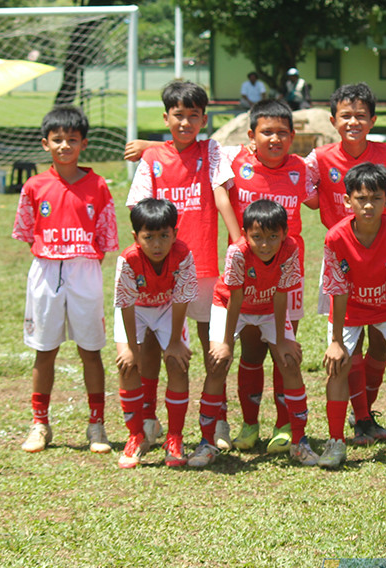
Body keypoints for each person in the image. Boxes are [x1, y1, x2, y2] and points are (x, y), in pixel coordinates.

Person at [306, 82, 386, 446]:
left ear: (372, 120)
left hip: (383, 260)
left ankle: (365, 416)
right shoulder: (320, 158)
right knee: (348, 347)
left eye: (361, 115)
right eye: (346, 115)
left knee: (380, 345)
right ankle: (360, 419)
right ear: (333, 120)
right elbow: (293, 182)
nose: (353, 121)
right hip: (341, 261)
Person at [125, 80, 241, 453]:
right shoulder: (153, 159)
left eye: (194, 116)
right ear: (166, 117)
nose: (186, 123)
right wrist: (152, 148)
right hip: (161, 268)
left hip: (204, 263)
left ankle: (216, 418)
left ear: (204, 119)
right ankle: (148, 421)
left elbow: (222, 195)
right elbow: (137, 209)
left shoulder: (212, 151)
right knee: (153, 348)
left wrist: (237, 241)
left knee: (213, 344)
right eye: (179, 116)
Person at [12, 105, 119, 453]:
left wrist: (77, 256)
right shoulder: (34, 186)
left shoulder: (98, 186)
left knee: (91, 350)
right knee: (45, 350)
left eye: (72, 140)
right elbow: (28, 232)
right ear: (46, 144)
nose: (64, 146)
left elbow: (105, 238)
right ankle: (40, 424)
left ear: (83, 143)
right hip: (46, 269)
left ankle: (96, 426)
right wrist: (53, 251)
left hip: (84, 269)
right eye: (57, 140)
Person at [221, 99, 316, 454]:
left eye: (281, 133)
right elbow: (195, 149)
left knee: (283, 350)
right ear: (251, 135)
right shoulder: (234, 160)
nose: (274, 139)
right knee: (251, 349)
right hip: (246, 270)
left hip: (287, 272)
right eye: (266, 132)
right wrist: (151, 146)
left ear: (292, 136)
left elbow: (326, 198)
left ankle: (283, 423)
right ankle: (249, 423)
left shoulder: (302, 169)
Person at [192, 200, 317, 468]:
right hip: (230, 306)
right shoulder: (237, 252)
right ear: (245, 234)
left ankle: (299, 442)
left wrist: (283, 341)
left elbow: (282, 293)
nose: (265, 244)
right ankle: (206, 442)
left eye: (273, 237)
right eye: (257, 237)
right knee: (217, 364)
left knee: (289, 362)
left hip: (269, 306)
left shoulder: (291, 249)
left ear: (284, 234)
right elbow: (235, 299)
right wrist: (225, 344)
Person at [321, 163, 386, 468]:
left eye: (376, 198)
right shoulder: (335, 237)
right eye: (361, 198)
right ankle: (335, 443)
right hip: (350, 308)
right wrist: (337, 340)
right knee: (337, 366)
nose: (368, 205)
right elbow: (338, 291)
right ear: (347, 201)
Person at [113, 198, 197, 469]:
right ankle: (136, 436)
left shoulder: (183, 254)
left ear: (175, 233)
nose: (158, 244)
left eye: (164, 236)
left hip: (167, 307)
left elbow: (182, 298)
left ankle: (174, 438)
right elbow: (125, 304)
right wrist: (130, 349)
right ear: (136, 237)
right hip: (135, 310)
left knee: (177, 364)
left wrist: (174, 343)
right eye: (149, 237)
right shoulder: (128, 259)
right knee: (128, 366)